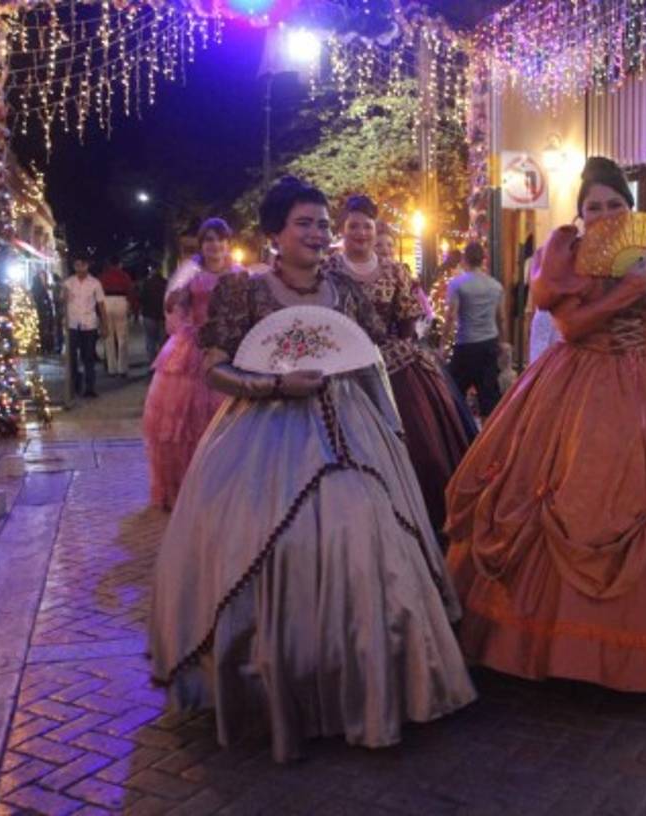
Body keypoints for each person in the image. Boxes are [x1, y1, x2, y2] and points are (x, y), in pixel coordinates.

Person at [148, 177, 476, 762]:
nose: (319, 234)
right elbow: (216, 369)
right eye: (305, 223)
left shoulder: (347, 292)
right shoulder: (244, 295)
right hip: (264, 432)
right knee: (273, 548)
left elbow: (367, 360)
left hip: (351, 428)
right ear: (274, 233)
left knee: (364, 532)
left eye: (323, 223)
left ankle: (367, 685)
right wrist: (275, 385)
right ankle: (285, 687)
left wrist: (391, 430)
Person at [443, 156, 646, 693]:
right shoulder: (567, 253)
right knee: (559, 490)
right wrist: (624, 292)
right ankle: (549, 649)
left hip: (644, 384)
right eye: (593, 206)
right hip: (578, 380)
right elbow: (571, 326)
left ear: (632, 208)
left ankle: (644, 658)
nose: (603, 215)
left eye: (614, 205)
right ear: (580, 213)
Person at [323, 195, 473, 541]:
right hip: (342, 366)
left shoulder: (395, 271)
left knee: (423, 451)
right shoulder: (329, 271)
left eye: (366, 225)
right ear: (342, 230)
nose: (360, 232)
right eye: (353, 225)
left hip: (395, 367)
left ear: (375, 229)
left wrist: (387, 351)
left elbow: (407, 323)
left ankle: (420, 518)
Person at [141, 219, 237, 511]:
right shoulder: (191, 274)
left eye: (220, 240)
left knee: (224, 421)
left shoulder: (240, 275)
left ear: (228, 244)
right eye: (208, 240)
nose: (214, 246)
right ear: (201, 244)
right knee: (182, 426)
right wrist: (178, 299)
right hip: (191, 349)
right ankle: (184, 491)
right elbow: (174, 307)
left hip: (228, 349)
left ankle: (223, 489)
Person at [445, 241, 505, 419]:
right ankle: (488, 438)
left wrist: (443, 344)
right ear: (483, 259)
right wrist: (502, 341)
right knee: (488, 394)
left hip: (466, 343)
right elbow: (501, 317)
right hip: (489, 343)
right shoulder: (496, 286)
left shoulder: (457, 284)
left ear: (465, 259)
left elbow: (450, 316)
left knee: (456, 392)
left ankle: (461, 435)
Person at [63, 250, 105, 398]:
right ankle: (76, 383)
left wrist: (104, 324)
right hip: (73, 324)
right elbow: (62, 302)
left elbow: (101, 304)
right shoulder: (68, 283)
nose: (80, 268)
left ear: (87, 266)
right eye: (77, 265)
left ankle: (90, 387)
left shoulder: (95, 283)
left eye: (82, 265)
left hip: (89, 323)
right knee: (72, 357)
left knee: (88, 357)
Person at [99, 255, 136, 377]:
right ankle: (122, 369)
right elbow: (130, 291)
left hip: (106, 302)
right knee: (122, 337)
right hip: (121, 301)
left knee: (108, 338)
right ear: (120, 264)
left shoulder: (103, 276)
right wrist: (130, 306)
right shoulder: (124, 276)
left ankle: (111, 369)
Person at [139, 263, 168, 363]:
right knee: (162, 341)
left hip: (148, 315)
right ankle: (162, 362)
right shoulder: (165, 283)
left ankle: (152, 362)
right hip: (162, 315)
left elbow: (141, 298)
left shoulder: (146, 283)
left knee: (150, 339)